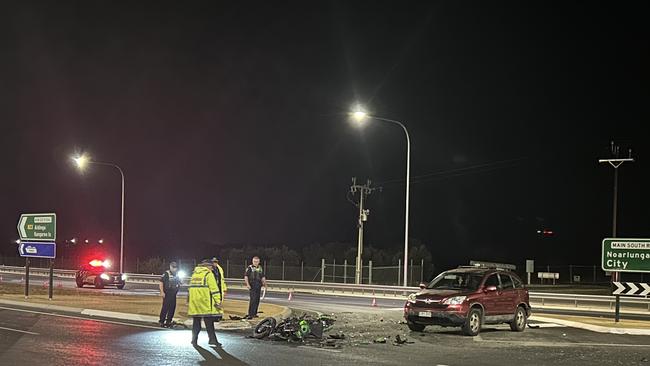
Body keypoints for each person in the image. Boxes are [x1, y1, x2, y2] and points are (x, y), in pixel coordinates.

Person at [188, 259, 225, 346]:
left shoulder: (194, 274)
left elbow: (189, 289)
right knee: (209, 323)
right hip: (205, 303)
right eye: (211, 267)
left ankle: (194, 340)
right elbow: (214, 289)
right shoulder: (208, 274)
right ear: (207, 266)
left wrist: (189, 300)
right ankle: (212, 340)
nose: (212, 269)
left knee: (196, 322)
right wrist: (218, 301)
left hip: (195, 303)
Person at [158, 261, 181, 328]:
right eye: (173, 267)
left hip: (173, 294)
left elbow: (179, 283)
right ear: (170, 267)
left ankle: (169, 321)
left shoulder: (176, 275)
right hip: (167, 294)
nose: (175, 269)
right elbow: (161, 283)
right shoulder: (166, 274)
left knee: (172, 308)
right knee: (165, 308)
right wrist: (162, 292)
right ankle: (161, 321)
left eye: (176, 267)